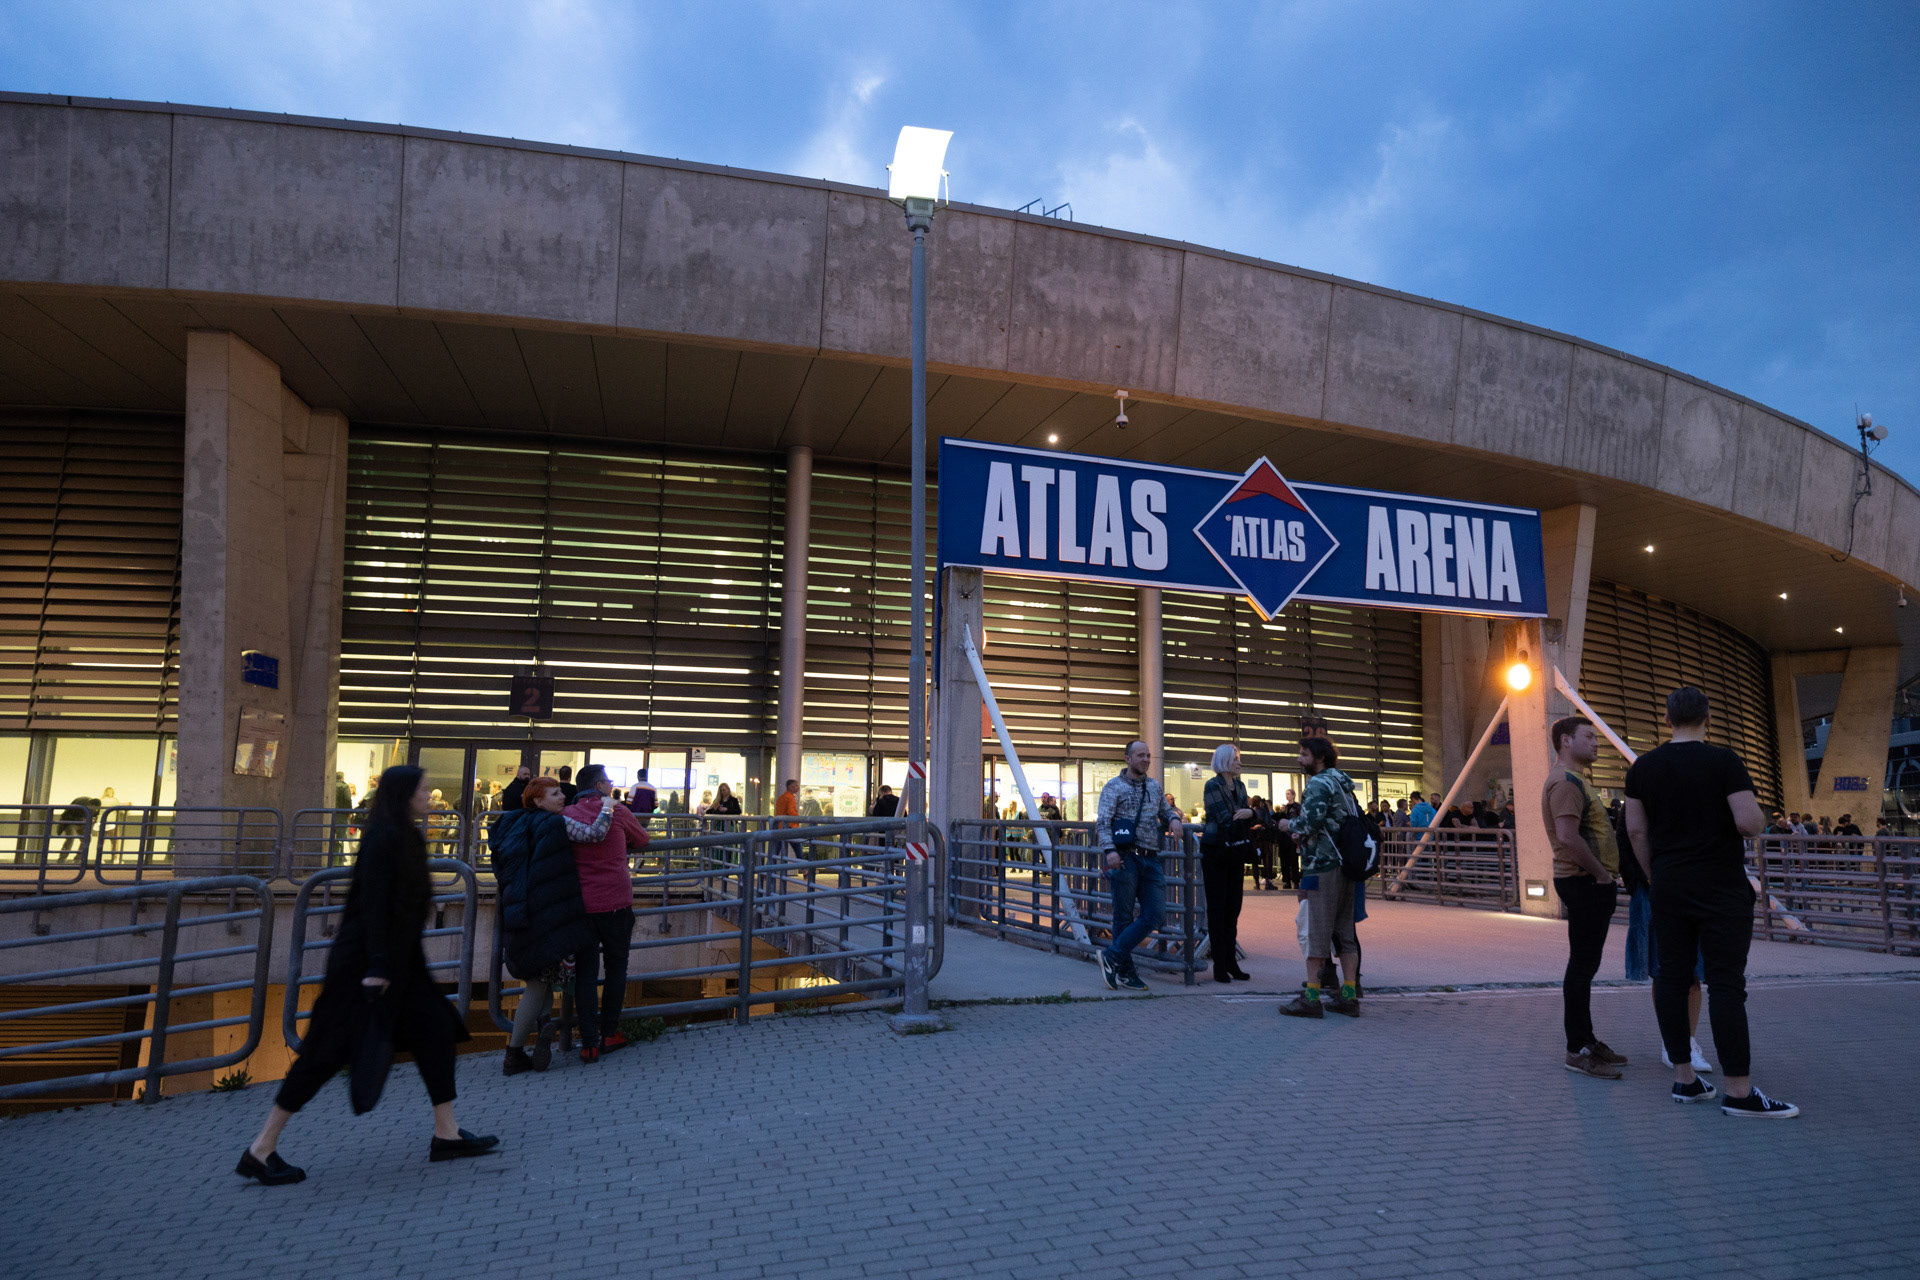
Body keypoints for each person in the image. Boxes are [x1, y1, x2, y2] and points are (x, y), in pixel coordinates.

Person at [237, 765, 498, 1185]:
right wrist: (377, 966)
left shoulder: (406, 834)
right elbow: (373, 906)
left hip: (402, 962)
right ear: (404, 793)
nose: (429, 793)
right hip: (363, 965)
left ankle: (446, 1133)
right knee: (323, 1054)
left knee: (436, 1031)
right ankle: (260, 1149)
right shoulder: (382, 838)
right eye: (422, 787)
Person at [1625, 686, 1797, 1118]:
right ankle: (1738, 1091)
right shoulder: (1724, 761)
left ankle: (1685, 1080)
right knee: (1725, 984)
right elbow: (1749, 822)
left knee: (1671, 977)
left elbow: (1636, 831)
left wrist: (1654, 873)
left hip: (1668, 884)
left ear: (1667, 720)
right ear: (1708, 719)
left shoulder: (1642, 768)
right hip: (1720, 886)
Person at [488, 776, 606, 1075]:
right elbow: (559, 870)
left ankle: (544, 1025)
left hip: (518, 911)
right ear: (538, 800)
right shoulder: (553, 824)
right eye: (554, 794)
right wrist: (609, 808)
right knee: (538, 983)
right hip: (543, 915)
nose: (562, 797)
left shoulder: (513, 823)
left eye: (560, 792)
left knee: (541, 976)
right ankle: (514, 1053)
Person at [1544, 717, 1628, 1080]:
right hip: (1584, 883)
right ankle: (1577, 1049)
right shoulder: (1566, 781)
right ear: (1566, 740)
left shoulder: (1576, 779)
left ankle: (1587, 1041)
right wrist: (1601, 874)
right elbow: (1566, 836)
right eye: (1589, 736)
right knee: (1581, 967)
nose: (1596, 743)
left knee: (1585, 966)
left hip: (1588, 882)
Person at [563, 764, 650, 1063]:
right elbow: (643, 840)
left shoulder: (567, 814)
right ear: (599, 786)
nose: (611, 786)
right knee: (616, 968)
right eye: (609, 781)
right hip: (616, 902)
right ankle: (610, 1033)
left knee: (585, 974)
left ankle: (588, 1044)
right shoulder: (618, 811)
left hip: (582, 905)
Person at [1277, 738, 1361, 1019]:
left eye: (1304, 754)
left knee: (1315, 931)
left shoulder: (1318, 783)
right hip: (1346, 865)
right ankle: (1348, 996)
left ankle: (1311, 998)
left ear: (1320, 758)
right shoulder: (1343, 782)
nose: (1299, 759)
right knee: (1345, 934)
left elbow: (1309, 822)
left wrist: (1287, 824)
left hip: (1321, 865)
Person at [1093, 740, 1184, 992]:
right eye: (1140, 755)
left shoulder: (1154, 786)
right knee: (1123, 916)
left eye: (1148, 756)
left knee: (1155, 914)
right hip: (1125, 858)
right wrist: (1110, 851)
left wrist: (1174, 819)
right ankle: (1126, 972)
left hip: (1151, 858)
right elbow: (1103, 823)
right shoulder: (1114, 787)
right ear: (1127, 758)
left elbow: (1165, 810)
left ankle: (1111, 956)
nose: (1145, 760)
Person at [1199, 745, 1254, 984]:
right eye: (1235, 759)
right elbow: (1225, 817)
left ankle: (1231, 962)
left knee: (1233, 908)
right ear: (1224, 761)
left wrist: (1249, 813)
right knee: (1217, 909)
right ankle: (1220, 965)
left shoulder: (1240, 786)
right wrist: (1246, 813)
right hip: (1216, 852)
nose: (1239, 763)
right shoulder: (1212, 785)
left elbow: (1248, 815)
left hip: (1236, 851)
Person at [1250, 794, 1279, 890]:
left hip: (1255, 840)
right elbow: (1269, 824)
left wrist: (1253, 828)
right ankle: (1268, 881)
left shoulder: (1251, 812)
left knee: (1255, 861)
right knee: (1267, 860)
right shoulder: (1263, 811)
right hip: (1265, 840)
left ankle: (1257, 883)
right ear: (1260, 802)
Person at [1275, 788, 1301, 889]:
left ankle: (1296, 880)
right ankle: (1287, 881)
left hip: (1292, 836)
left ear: (1293, 795)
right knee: (1284, 859)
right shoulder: (1285, 808)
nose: (1287, 796)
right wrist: (1281, 812)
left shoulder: (1297, 807)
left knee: (1293, 859)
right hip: (1284, 836)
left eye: (1289, 794)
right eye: (1286, 794)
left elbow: (1299, 819)